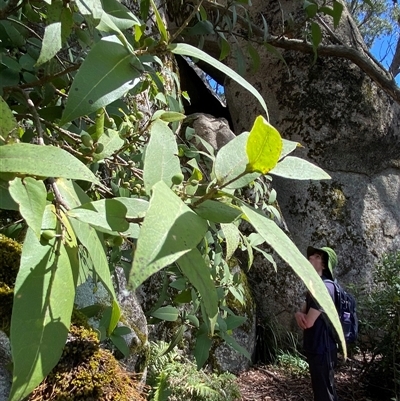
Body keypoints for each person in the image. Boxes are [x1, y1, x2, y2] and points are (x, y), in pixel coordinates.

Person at [295, 246, 339, 401]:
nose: (311, 258)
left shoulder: (325, 288)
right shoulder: (315, 286)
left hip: (323, 348)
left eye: (317, 256)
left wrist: (300, 316)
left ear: (325, 265)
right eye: (312, 255)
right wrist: (299, 314)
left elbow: (307, 321)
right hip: (317, 346)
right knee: (323, 389)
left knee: (324, 393)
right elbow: (302, 311)